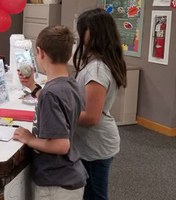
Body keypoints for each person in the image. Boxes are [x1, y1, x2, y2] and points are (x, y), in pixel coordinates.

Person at [13, 25, 88, 200]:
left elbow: (61, 145)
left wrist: (30, 139)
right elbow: (58, 102)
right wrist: (33, 87)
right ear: (69, 54)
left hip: (55, 183)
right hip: (69, 177)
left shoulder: (50, 93)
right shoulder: (70, 84)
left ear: (39, 53)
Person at [72, 8, 127, 200]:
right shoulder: (98, 62)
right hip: (91, 143)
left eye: (83, 30)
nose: (79, 35)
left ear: (94, 32)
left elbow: (91, 116)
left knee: (95, 195)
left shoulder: (97, 69)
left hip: (96, 145)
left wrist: (62, 114)